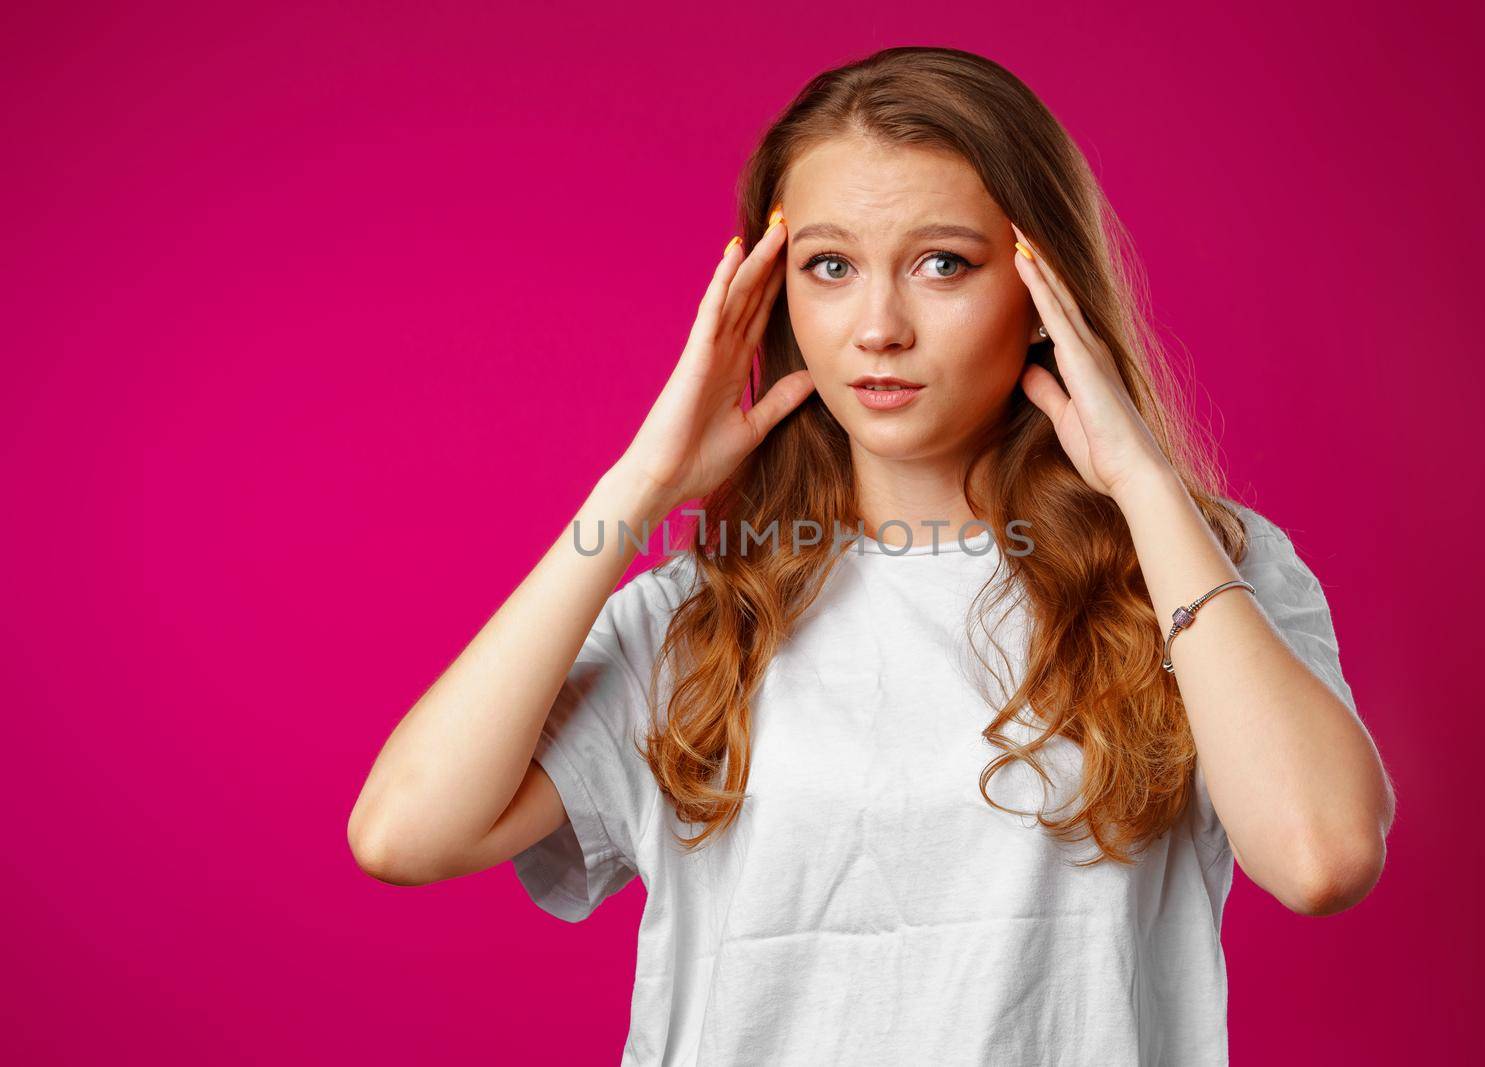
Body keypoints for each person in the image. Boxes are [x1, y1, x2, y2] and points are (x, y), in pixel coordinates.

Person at [347, 45, 1395, 1065]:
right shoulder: (703, 612)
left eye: (943, 263)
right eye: (830, 266)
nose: (878, 326)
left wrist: (1145, 490)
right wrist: (638, 488)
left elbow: (1319, 855)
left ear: (1043, 289)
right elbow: (405, 833)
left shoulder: (1197, 575)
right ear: (774, 294)